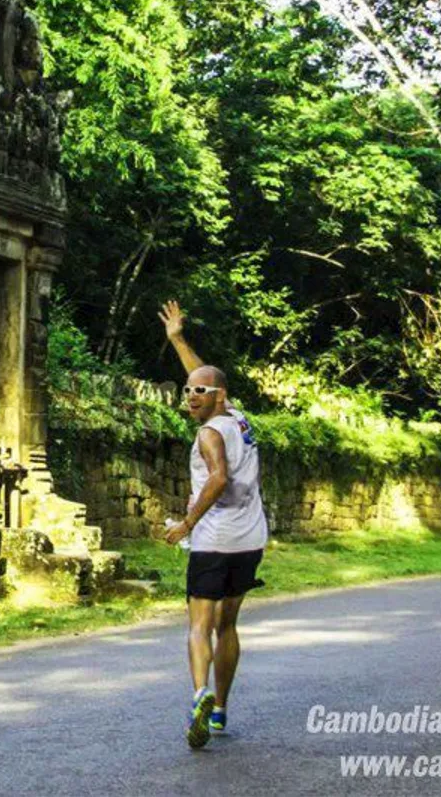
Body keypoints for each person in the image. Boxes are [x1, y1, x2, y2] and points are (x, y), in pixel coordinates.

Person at [160, 301, 268, 748]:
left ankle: (199, 692)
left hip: (214, 540)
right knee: (229, 625)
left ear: (215, 398)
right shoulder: (237, 418)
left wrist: (186, 523)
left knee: (199, 625)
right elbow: (205, 375)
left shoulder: (208, 434)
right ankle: (220, 710)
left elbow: (218, 478)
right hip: (250, 539)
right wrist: (178, 339)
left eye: (198, 393)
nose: (191, 396)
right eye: (187, 391)